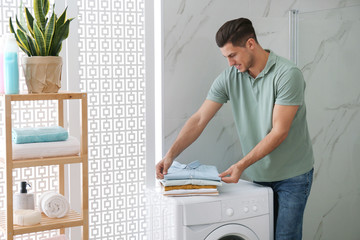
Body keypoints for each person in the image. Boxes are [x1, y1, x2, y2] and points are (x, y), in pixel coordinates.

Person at [156, 17, 314, 240]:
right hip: (259, 174)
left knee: (286, 237)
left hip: (292, 176)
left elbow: (279, 132)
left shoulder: (287, 75)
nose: (230, 63)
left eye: (232, 55)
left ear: (250, 44)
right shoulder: (231, 77)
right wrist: (170, 155)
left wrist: (241, 164)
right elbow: (200, 118)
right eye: (226, 57)